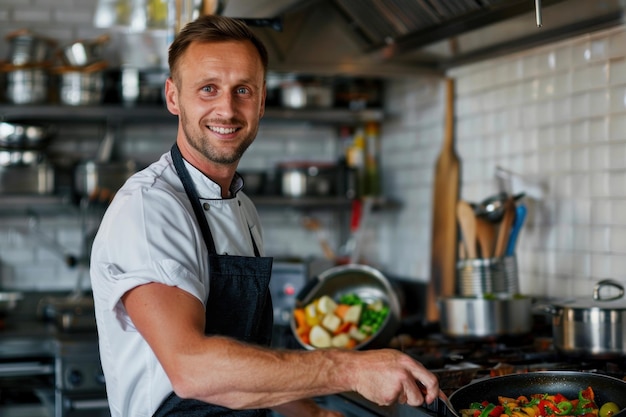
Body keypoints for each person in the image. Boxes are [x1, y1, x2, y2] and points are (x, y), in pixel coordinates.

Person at [90, 14, 441, 417]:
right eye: (208, 89)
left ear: (261, 102)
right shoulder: (150, 208)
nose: (227, 108)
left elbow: (241, 357)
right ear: (173, 97)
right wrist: (349, 369)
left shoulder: (242, 207)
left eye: (243, 90)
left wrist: (310, 413)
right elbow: (192, 370)